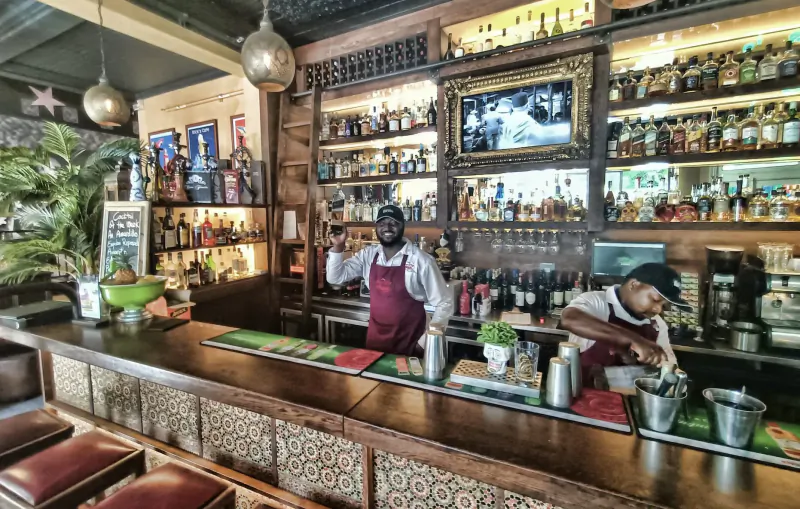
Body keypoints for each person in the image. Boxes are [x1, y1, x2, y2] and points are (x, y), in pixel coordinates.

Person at [326, 205, 452, 355]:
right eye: (382, 223)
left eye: (393, 223)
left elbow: (444, 303)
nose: (387, 227)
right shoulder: (368, 255)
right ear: (376, 227)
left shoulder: (421, 261)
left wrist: (425, 342)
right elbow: (335, 277)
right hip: (375, 344)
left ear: (402, 225)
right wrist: (338, 246)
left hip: (411, 346)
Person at [560, 263, 687, 387]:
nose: (658, 310)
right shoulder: (596, 301)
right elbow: (570, 319)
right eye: (655, 300)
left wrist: (657, 363)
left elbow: (669, 370)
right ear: (634, 285)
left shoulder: (657, 324)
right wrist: (635, 340)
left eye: (664, 305)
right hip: (584, 395)